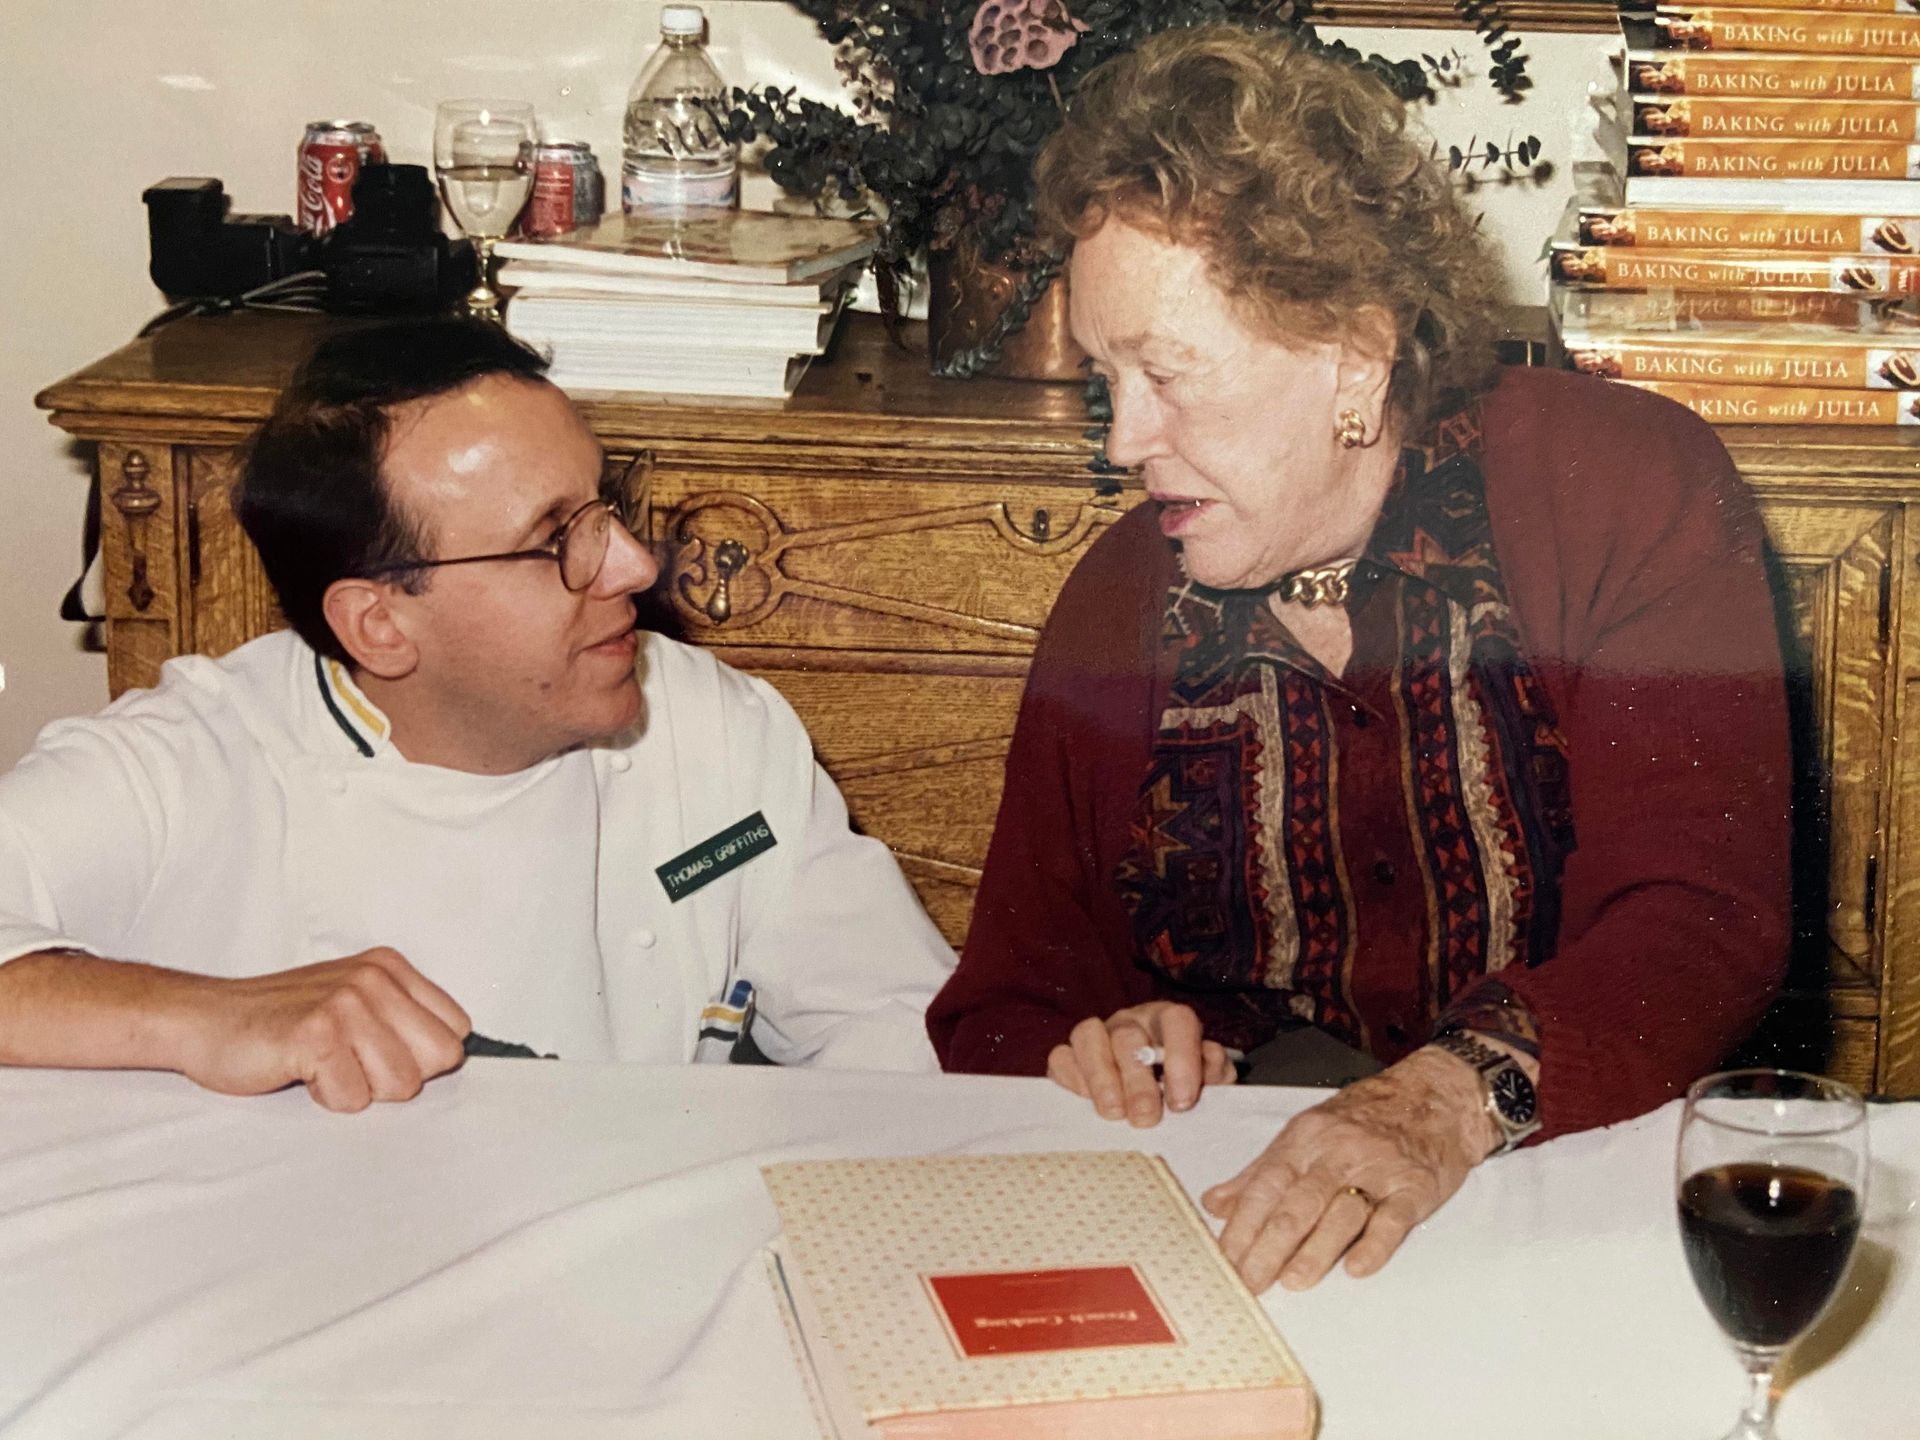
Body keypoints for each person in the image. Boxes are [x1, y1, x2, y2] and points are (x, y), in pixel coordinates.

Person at [927, 27, 1789, 1293]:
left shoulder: (1618, 489)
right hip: (1256, 1226)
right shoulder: (1119, 602)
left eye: (1166, 375)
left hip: (1585, 1199)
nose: (1123, 440)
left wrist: (1442, 1102)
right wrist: (1112, 1048)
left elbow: (1699, 923)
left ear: (1354, 353)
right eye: (1108, 380)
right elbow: (1008, 1004)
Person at [0, 318, 954, 1110]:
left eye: (605, 508)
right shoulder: (190, 764)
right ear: (379, 625)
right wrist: (210, 1017)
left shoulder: (715, 733)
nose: (631, 565)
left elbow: (896, 1031)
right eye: (553, 543)